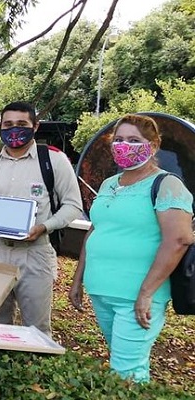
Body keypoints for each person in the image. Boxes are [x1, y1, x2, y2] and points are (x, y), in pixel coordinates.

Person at [68, 114, 193, 382]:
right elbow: (96, 229)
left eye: (134, 140)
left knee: (127, 373)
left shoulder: (167, 184)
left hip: (137, 295)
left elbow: (179, 239)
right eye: (120, 140)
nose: (125, 145)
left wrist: (146, 294)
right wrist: (78, 278)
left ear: (154, 145)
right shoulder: (109, 183)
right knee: (121, 362)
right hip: (101, 290)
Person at [0, 101, 83, 336]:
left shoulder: (53, 161)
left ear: (35, 126)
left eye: (22, 124)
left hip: (35, 255)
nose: (14, 130)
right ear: (0, 127)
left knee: (36, 329)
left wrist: (44, 226)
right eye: (8, 124)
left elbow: (73, 206)